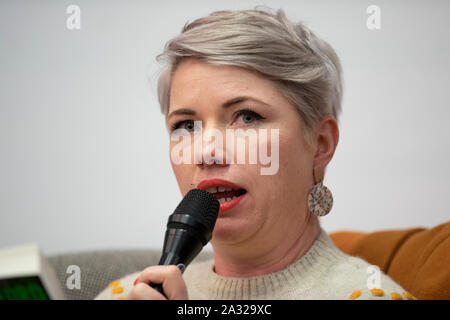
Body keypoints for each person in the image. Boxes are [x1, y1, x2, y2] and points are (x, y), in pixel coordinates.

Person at [95, 7, 410, 300]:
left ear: (320, 144)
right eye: (187, 125)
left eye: (247, 117)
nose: (207, 153)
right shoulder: (126, 294)